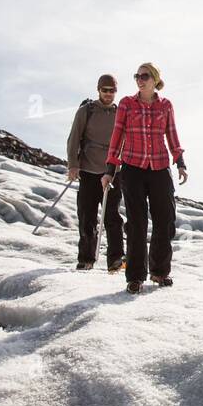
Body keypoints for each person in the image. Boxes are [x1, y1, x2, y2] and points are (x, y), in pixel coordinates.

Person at [102, 62, 187, 294]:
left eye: (145, 76)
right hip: (133, 168)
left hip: (160, 168)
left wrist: (180, 162)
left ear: (155, 79)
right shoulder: (127, 105)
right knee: (137, 222)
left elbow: (172, 135)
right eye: (137, 76)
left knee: (165, 220)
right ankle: (136, 276)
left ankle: (159, 272)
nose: (140, 79)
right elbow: (117, 136)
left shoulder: (165, 106)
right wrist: (110, 168)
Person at [66, 74, 124, 272]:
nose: (108, 94)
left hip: (113, 171)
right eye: (104, 90)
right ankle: (86, 259)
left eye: (112, 90)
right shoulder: (86, 111)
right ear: (98, 90)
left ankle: (116, 260)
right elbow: (74, 138)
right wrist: (73, 165)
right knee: (87, 217)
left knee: (112, 217)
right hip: (89, 171)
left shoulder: (120, 113)